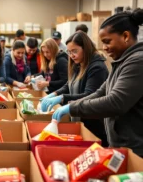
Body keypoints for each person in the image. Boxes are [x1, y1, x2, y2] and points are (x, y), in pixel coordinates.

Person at [51, 9, 143, 155]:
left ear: (125, 36)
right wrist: (71, 105)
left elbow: (115, 102)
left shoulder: (137, 61)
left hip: (136, 150)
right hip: (120, 146)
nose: (104, 48)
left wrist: (72, 108)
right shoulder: (120, 61)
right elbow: (101, 92)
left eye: (107, 42)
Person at [42, 31, 109, 146]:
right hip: (79, 118)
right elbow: (69, 85)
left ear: (86, 48)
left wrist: (62, 98)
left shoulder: (97, 68)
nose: (71, 55)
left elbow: (90, 95)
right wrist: (54, 94)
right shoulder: (78, 64)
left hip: (93, 123)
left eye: (75, 51)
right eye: (69, 52)